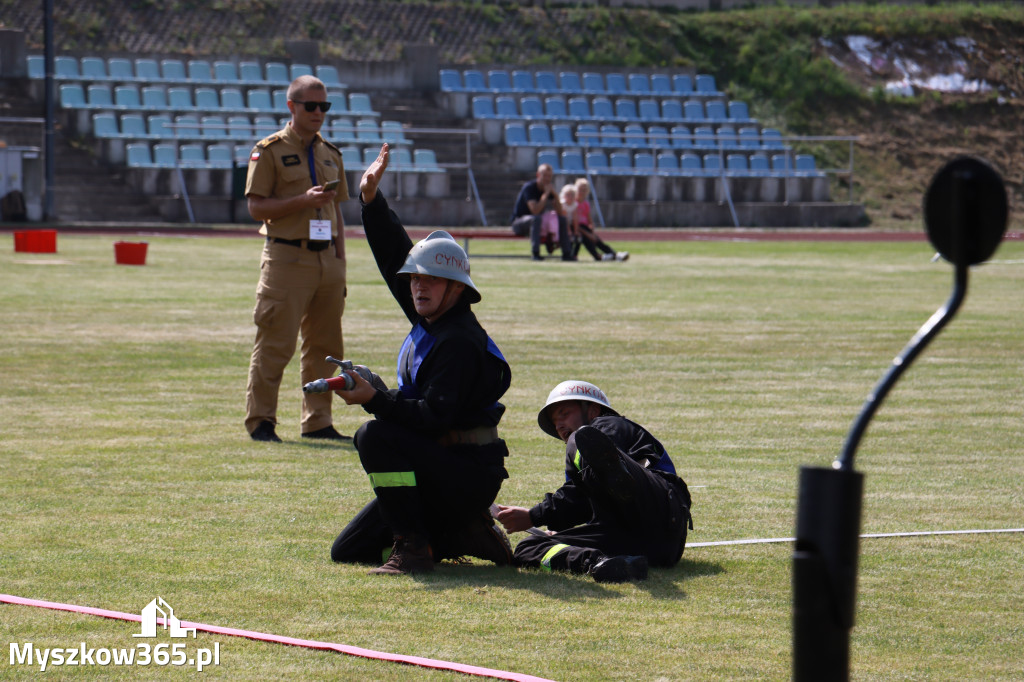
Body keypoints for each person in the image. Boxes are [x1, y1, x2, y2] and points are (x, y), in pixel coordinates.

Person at [330, 143, 514, 575]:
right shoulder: (432, 313)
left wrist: (374, 398)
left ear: (456, 289)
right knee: (349, 551)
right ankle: (458, 532)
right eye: (414, 279)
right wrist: (371, 201)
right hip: (437, 465)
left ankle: (414, 546)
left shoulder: (459, 341)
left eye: (431, 280)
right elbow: (396, 253)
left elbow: (432, 417)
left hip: (467, 475)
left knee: (373, 436)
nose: (418, 287)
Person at [496, 380, 693, 583]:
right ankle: (600, 563)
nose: (559, 425)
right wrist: (562, 534)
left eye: (564, 413)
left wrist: (534, 515)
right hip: (651, 548)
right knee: (528, 548)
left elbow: (577, 494)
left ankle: (622, 484)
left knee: (579, 438)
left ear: (593, 410)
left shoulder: (612, 425)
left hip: (659, 514)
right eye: (555, 422)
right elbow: (578, 502)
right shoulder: (580, 458)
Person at [244, 74, 350, 443]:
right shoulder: (269, 150)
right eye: (311, 106)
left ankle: (317, 420)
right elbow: (256, 207)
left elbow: (337, 211)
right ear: (292, 106)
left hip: (327, 262)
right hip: (287, 258)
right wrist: (301, 201)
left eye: (324, 106)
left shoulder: (330, 153)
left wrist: (341, 260)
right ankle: (261, 421)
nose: (318, 113)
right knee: (276, 343)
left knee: (325, 347)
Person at [510, 163, 575, 262]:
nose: (547, 179)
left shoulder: (548, 189)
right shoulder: (529, 188)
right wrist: (546, 194)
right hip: (519, 223)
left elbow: (560, 212)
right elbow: (535, 211)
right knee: (536, 219)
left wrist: (555, 195)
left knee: (561, 219)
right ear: (538, 175)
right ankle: (536, 253)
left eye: (549, 176)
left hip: (537, 223)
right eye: (544, 175)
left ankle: (567, 254)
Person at [572, 178, 629, 262]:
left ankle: (612, 255)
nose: (582, 192)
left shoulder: (585, 204)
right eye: (580, 189)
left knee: (596, 240)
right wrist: (588, 234)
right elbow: (573, 221)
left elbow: (589, 218)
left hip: (585, 228)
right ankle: (602, 256)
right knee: (588, 238)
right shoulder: (573, 203)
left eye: (584, 190)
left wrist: (591, 229)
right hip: (576, 227)